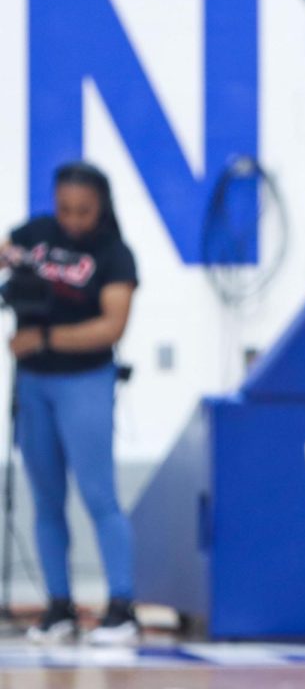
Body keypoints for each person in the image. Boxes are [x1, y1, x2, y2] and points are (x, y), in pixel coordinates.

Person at [0, 162, 140, 645]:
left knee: (100, 495)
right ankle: (58, 606)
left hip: (86, 381)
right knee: (46, 499)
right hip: (34, 384)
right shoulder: (35, 234)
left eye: (84, 211)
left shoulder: (114, 254)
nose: (73, 219)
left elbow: (112, 326)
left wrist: (43, 337)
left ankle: (121, 606)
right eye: (65, 209)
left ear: (100, 206)